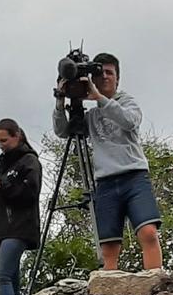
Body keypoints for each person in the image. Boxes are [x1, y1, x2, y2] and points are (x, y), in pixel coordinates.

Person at [53, 52, 162, 272]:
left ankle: (155, 282)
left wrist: (99, 99)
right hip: (106, 181)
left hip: (134, 175)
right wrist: (60, 100)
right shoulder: (91, 115)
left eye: (109, 73)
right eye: (99, 73)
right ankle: (109, 293)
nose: (104, 77)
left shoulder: (126, 101)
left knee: (148, 232)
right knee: (109, 247)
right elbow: (64, 131)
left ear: (117, 78)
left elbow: (129, 121)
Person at [0, 119, 41, 295]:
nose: (1, 145)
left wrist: (0, 185)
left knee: (2, 274)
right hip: (2, 227)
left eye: (4, 140)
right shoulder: (4, 166)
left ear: (17, 136)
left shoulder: (30, 161)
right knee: (12, 278)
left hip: (20, 227)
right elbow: (2, 200)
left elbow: (29, 193)